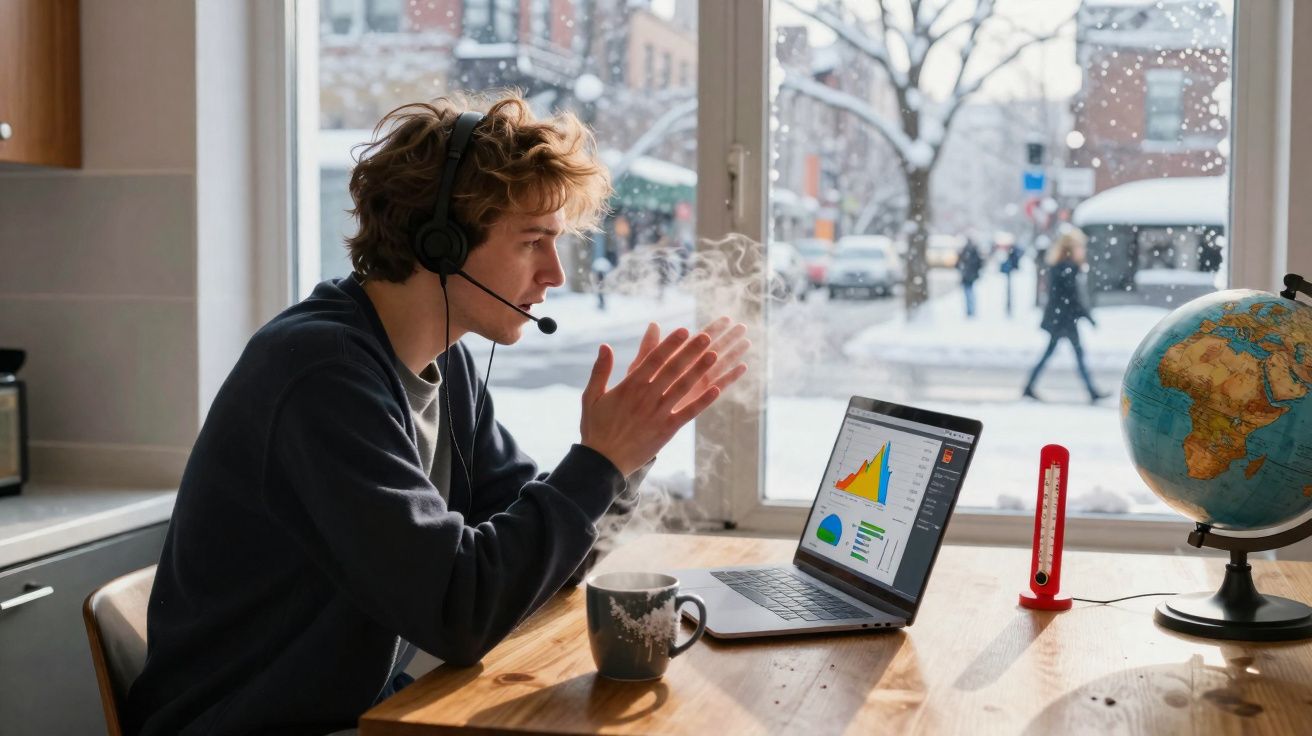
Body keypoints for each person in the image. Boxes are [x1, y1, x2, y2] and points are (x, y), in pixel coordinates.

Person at [125, 94, 750, 736]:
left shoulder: (444, 368)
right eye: (533, 241)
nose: (555, 274)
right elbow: (460, 612)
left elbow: (534, 568)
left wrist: (626, 455)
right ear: (440, 242)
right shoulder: (321, 374)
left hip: (355, 712)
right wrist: (598, 463)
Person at [1022, 228, 1109, 404]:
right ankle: (1092, 392)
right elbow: (1072, 299)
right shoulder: (1067, 269)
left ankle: (1028, 387)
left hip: (1061, 319)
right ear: (1071, 248)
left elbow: (1066, 298)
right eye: (1080, 247)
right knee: (1077, 355)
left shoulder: (1061, 267)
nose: (1082, 250)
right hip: (1064, 320)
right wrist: (1088, 317)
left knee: (1054, 354)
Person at [956, 238, 984, 317]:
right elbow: (979, 264)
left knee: (968, 293)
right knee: (970, 292)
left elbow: (958, 264)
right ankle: (971, 309)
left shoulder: (965, 252)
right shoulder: (973, 252)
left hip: (966, 276)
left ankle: (970, 310)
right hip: (970, 276)